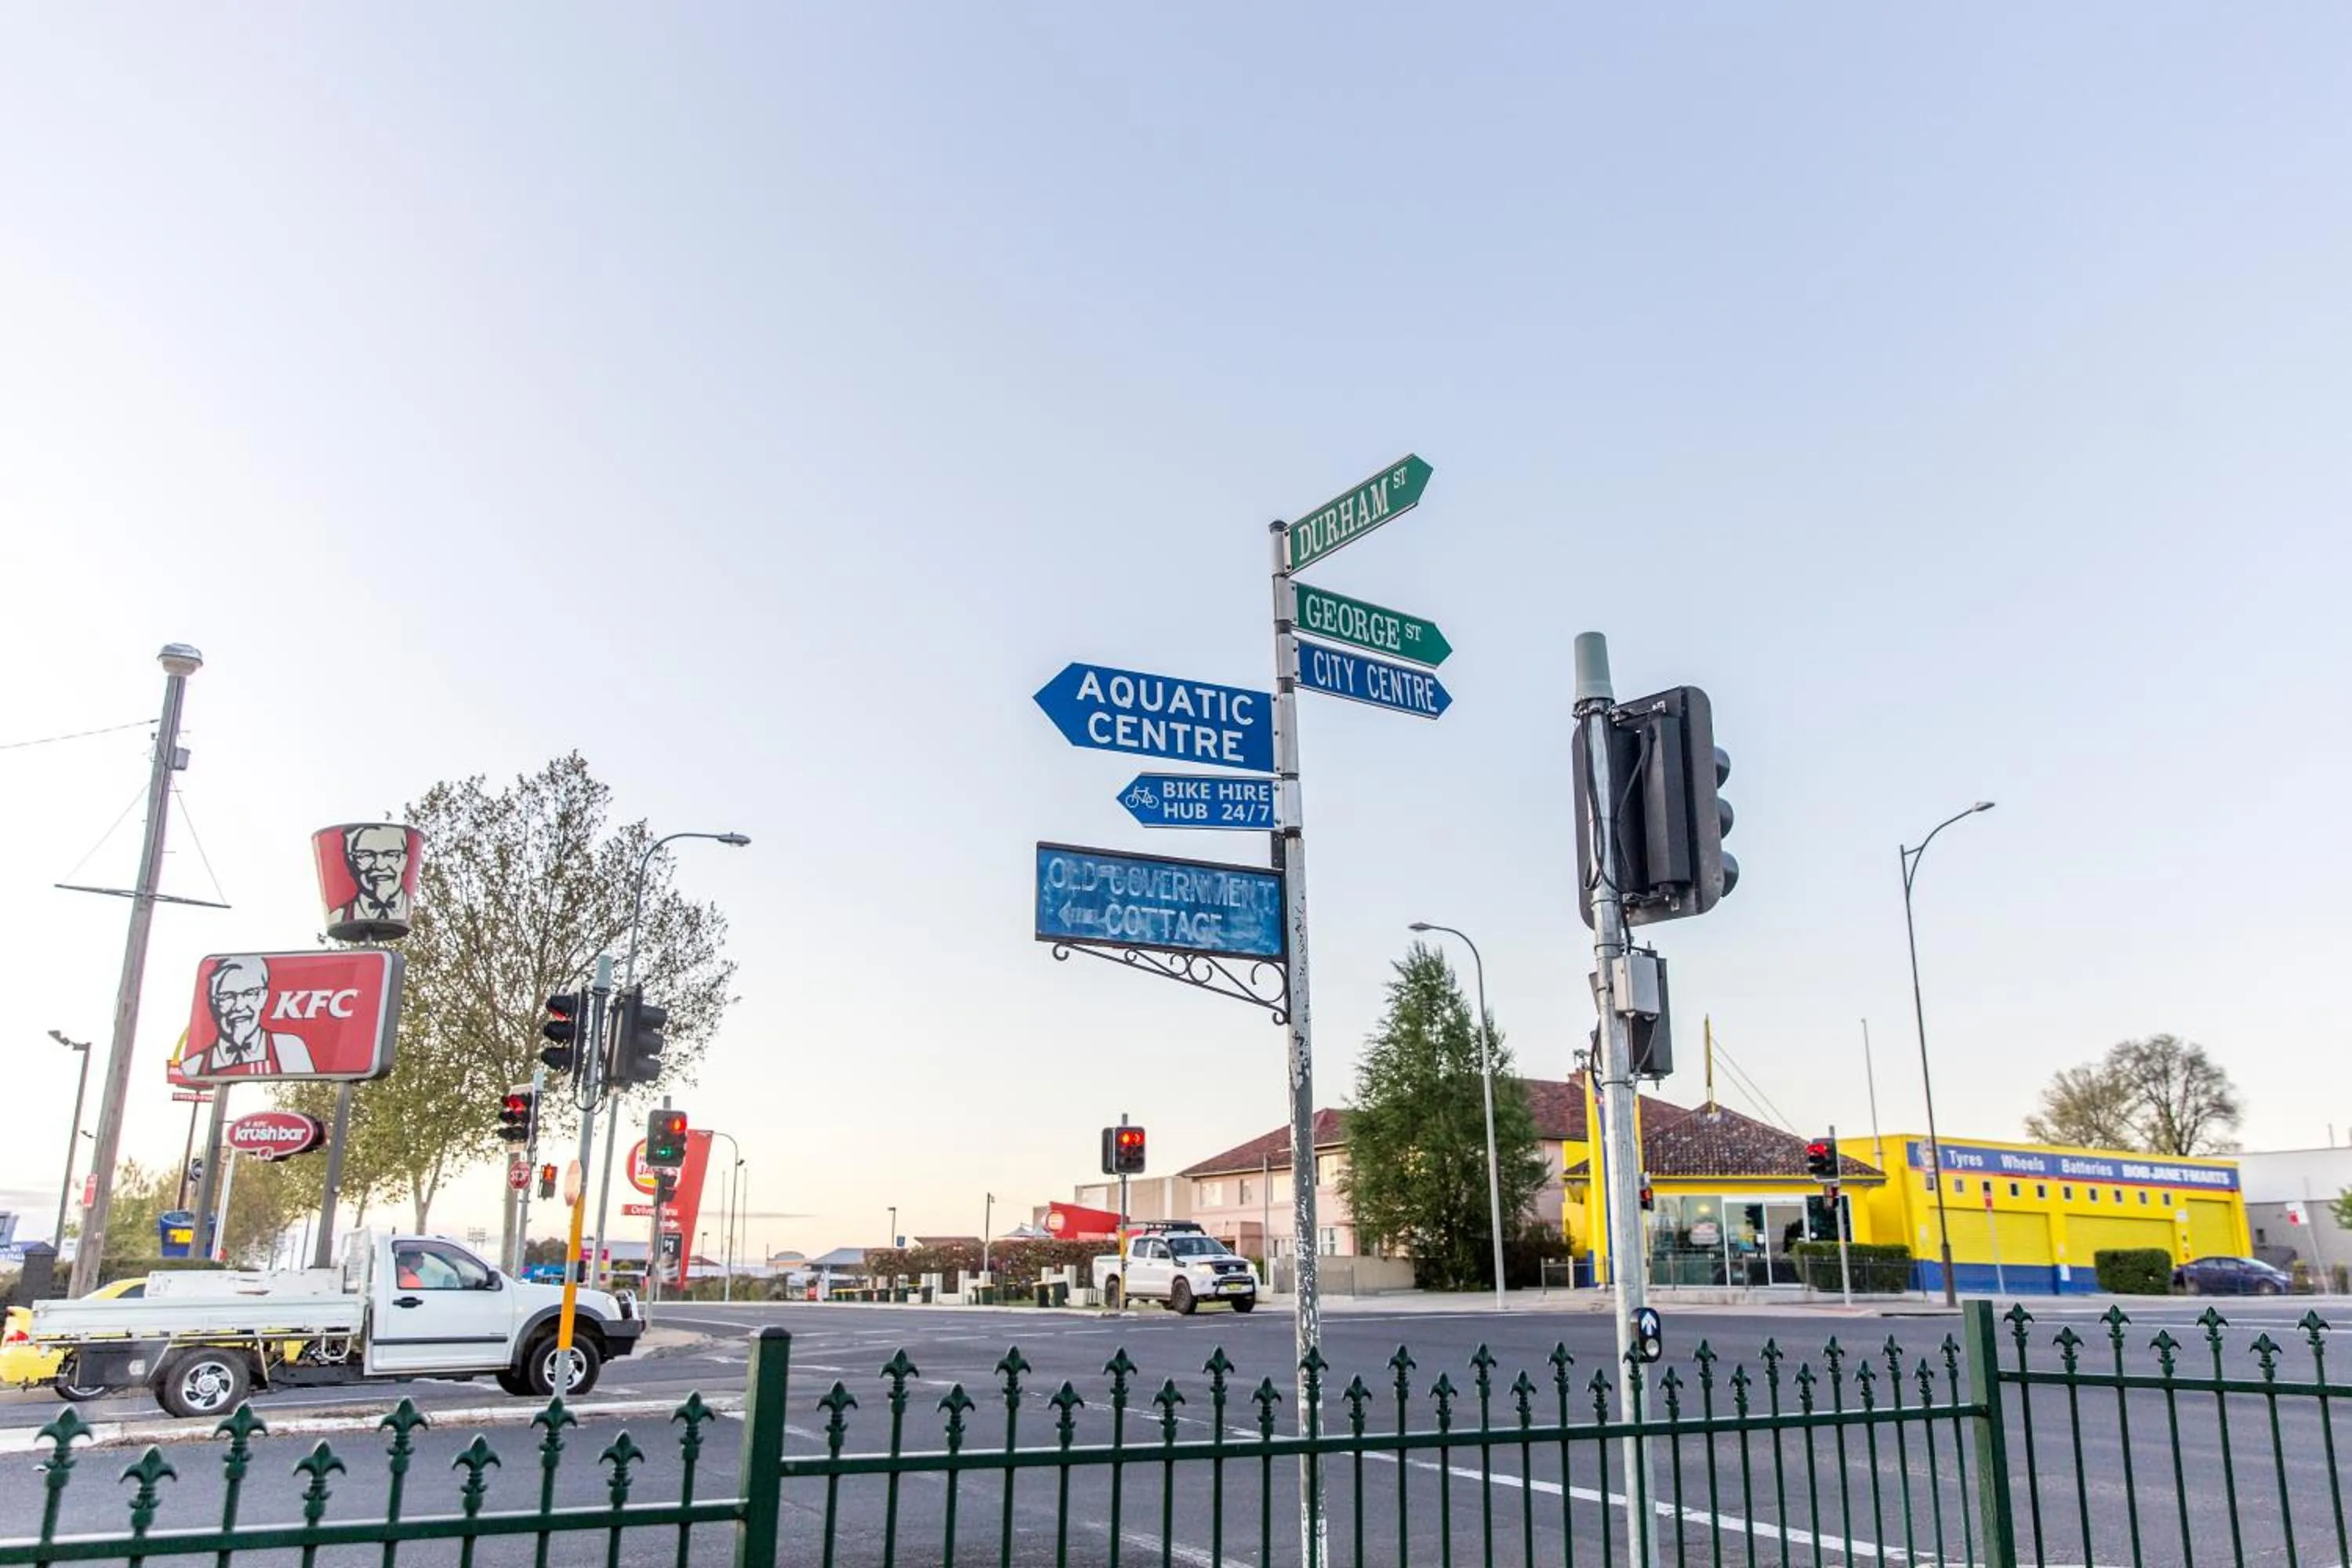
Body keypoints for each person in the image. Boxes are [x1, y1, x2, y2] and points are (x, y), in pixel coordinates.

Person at [193, 956, 316, 1076]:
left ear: (264, 997)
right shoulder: (194, 1066)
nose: (240, 1006)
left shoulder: (289, 1048)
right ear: (214, 1002)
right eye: (227, 996)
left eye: (250, 994)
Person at [328, 824, 412, 935]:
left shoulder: (413, 912)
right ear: (352, 861)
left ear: (404, 860)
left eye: (391, 855)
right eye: (366, 855)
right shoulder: (338, 916)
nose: (380, 866)